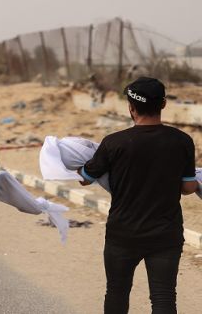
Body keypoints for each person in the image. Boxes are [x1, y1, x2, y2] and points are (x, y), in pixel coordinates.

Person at [78, 77, 198, 314]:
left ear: (130, 107)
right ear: (163, 104)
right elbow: (188, 188)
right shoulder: (182, 141)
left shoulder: (113, 143)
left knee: (117, 291)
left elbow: (85, 178)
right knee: (164, 298)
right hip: (165, 234)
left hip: (122, 234)